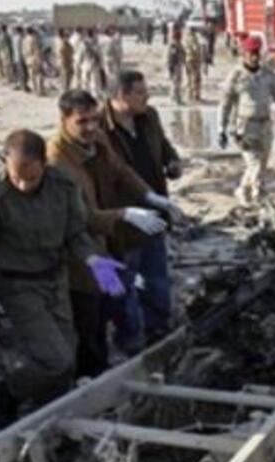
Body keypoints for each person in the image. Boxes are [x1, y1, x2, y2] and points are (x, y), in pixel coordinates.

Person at [0, 130, 125, 420]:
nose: (24, 185)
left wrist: (94, 261)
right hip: (17, 284)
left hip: (55, 279)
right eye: (17, 178)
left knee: (67, 354)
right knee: (56, 360)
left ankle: (47, 414)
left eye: (33, 178)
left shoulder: (62, 187)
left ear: (44, 165)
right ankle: (6, 390)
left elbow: (75, 232)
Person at [46, 90, 174, 376]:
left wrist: (151, 196)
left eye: (94, 119)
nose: (91, 127)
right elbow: (78, 219)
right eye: (82, 122)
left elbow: (121, 171)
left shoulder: (97, 140)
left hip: (104, 243)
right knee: (87, 320)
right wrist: (125, 214)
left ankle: (109, 365)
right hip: (78, 255)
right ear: (64, 120)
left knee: (108, 308)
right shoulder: (56, 163)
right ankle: (88, 380)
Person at [102, 71, 184, 350]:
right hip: (123, 219)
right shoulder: (99, 127)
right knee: (123, 282)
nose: (146, 96)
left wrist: (172, 162)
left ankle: (158, 329)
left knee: (157, 277)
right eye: (140, 92)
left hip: (155, 209)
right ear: (121, 96)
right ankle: (130, 340)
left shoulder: (149, 117)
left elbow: (163, 146)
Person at [218, 35, 275, 206]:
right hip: (245, 128)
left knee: (261, 165)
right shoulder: (236, 76)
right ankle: (260, 198)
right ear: (244, 54)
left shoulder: (267, 74)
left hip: (265, 125)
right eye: (251, 53)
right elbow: (225, 103)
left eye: (257, 53)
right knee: (254, 163)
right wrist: (221, 128)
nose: (255, 56)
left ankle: (242, 190)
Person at [24, 27, 45, 96]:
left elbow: (23, 51)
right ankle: (39, 90)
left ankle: (34, 90)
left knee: (32, 75)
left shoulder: (25, 39)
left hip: (28, 59)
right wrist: (40, 59)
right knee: (39, 75)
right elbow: (37, 50)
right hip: (35, 58)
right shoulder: (34, 39)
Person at [168, 29, 187, 105]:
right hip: (175, 66)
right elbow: (172, 57)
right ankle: (176, 99)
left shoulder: (178, 44)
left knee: (177, 83)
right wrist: (171, 68)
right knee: (176, 83)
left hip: (178, 65)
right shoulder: (174, 45)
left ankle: (174, 98)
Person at [185, 29, 205, 102]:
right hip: (194, 60)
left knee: (189, 78)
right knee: (196, 78)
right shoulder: (193, 39)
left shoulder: (186, 39)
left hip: (188, 60)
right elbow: (195, 49)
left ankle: (189, 95)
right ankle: (196, 96)